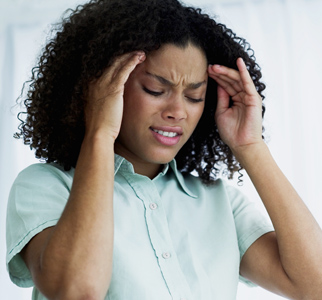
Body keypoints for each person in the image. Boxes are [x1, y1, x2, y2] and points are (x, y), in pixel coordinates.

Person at [5, 0, 322, 299]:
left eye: (195, 97)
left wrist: (251, 146)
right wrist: (100, 131)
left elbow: (315, 285)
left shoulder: (220, 202)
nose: (178, 111)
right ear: (102, 86)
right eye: (156, 89)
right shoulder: (45, 187)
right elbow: (77, 290)